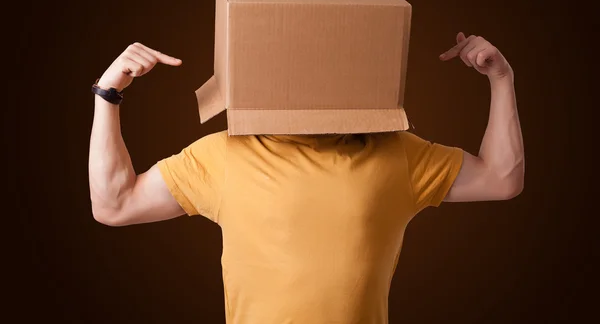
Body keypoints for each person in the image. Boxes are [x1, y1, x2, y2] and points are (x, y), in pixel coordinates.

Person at [88, 32, 524, 324]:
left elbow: (502, 179)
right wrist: (108, 94)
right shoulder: (224, 154)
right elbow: (115, 204)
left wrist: (501, 78)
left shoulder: (397, 154)